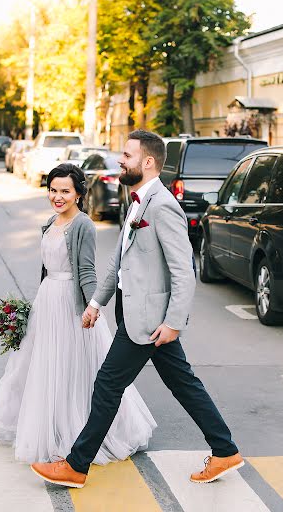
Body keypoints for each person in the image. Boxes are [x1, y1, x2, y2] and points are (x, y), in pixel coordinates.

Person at [31, 131, 243, 487]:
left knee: (107, 385)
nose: (120, 160)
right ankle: (225, 450)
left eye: (127, 155)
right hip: (136, 314)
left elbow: (183, 271)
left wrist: (174, 322)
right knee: (184, 384)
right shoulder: (138, 201)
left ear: (147, 162)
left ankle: (75, 465)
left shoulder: (162, 206)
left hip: (148, 321)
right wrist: (96, 302)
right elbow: (118, 260)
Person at [0, 163, 156, 464]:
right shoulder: (50, 222)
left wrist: (92, 308)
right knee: (32, 365)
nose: (58, 197)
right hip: (48, 301)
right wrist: (32, 307)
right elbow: (47, 270)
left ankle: (70, 432)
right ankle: (5, 419)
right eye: (53, 190)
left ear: (79, 194)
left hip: (71, 306)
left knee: (70, 368)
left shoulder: (82, 225)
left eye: (65, 191)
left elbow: (86, 271)